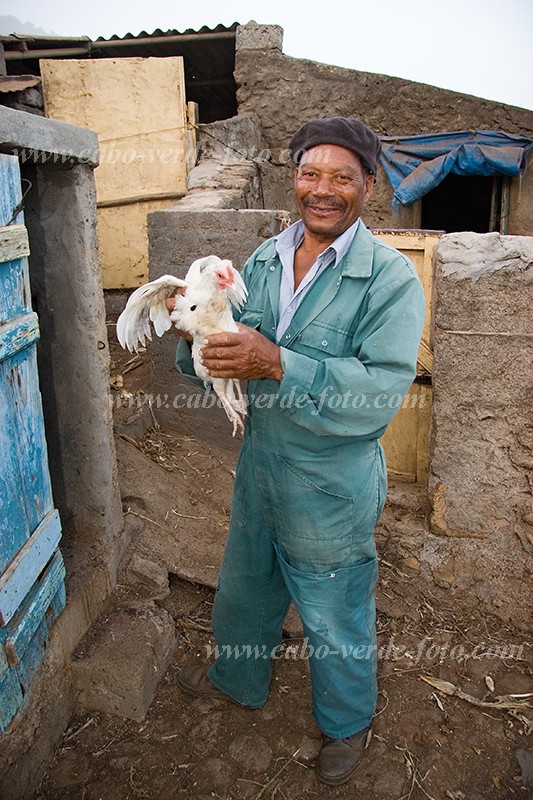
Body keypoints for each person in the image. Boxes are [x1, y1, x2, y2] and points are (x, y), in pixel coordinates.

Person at [171, 117, 425, 786]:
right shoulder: (261, 258)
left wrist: (280, 363)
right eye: (311, 173)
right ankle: (238, 678)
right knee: (245, 589)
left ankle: (346, 721)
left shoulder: (389, 279)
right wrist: (190, 328)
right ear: (294, 179)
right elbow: (226, 352)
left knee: (333, 609)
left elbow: (380, 392)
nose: (323, 189)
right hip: (261, 464)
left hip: (329, 480)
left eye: (342, 177)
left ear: (368, 186)